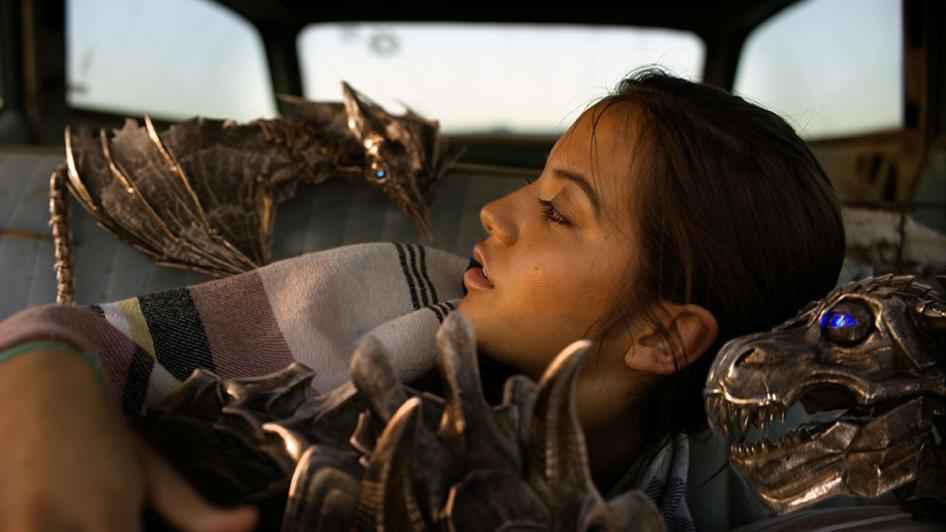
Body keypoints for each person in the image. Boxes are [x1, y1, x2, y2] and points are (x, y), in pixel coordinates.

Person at [0, 67, 845, 532]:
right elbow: (80, 341)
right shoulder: (380, 297)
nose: (497, 214)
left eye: (558, 212)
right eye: (533, 185)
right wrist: (49, 381)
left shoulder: (712, 497)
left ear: (663, 336)